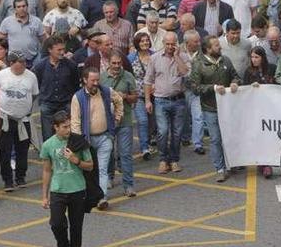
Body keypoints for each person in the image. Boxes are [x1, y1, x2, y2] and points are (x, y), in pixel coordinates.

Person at [69, 66, 123, 211]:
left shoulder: (106, 91)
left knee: (102, 169)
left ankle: (102, 197)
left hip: (105, 136)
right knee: (88, 170)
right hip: (87, 140)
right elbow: (75, 121)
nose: (95, 83)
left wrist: (117, 119)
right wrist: (79, 141)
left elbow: (119, 101)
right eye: (92, 80)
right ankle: (87, 196)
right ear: (85, 80)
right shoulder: (77, 97)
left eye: (97, 80)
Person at [190, 36, 242, 182]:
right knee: (216, 138)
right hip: (210, 108)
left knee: (230, 136)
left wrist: (234, 83)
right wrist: (212, 88)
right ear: (208, 49)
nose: (220, 47)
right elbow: (194, 87)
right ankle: (220, 168)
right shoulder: (198, 64)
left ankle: (233, 163)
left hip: (228, 107)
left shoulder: (225, 60)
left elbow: (236, 77)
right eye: (216, 45)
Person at [40, 111, 94, 247]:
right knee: (56, 224)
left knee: (76, 229)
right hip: (58, 190)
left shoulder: (79, 141)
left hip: (77, 189)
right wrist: (44, 196)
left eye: (69, 126)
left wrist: (76, 160)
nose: (68, 130)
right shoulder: (48, 145)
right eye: (64, 127)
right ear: (56, 127)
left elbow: (90, 166)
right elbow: (47, 171)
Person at [144, 32, 190, 175]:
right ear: (163, 43)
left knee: (177, 133)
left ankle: (174, 160)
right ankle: (163, 160)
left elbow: (186, 73)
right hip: (161, 100)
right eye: (167, 44)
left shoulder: (184, 57)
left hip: (179, 100)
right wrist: (147, 101)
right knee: (163, 132)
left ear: (177, 44)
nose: (170, 47)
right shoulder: (155, 58)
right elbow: (148, 80)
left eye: (173, 44)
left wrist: (176, 57)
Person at [0, 51, 38, 192]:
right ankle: (7, 180)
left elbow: (35, 94)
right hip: (5, 118)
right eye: (20, 63)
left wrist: (25, 109)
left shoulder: (31, 76)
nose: (23, 65)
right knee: (5, 151)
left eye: (24, 62)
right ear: (11, 63)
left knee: (22, 149)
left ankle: (20, 177)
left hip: (23, 119)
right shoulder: (0, 76)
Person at [100, 51, 138, 197]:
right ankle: (109, 177)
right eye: (113, 63)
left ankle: (128, 185)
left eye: (119, 63)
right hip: (107, 121)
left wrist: (126, 96)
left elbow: (135, 97)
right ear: (108, 63)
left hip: (125, 120)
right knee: (108, 152)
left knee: (125, 154)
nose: (116, 66)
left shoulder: (128, 76)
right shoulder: (102, 78)